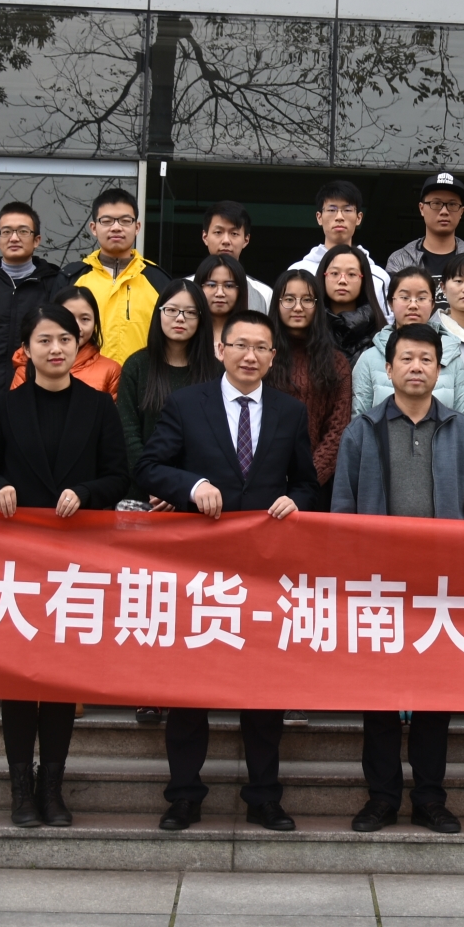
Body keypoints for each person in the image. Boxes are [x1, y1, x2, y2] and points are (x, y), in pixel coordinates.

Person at [138, 310, 320, 834]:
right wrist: (192, 487)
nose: (250, 356)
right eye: (240, 345)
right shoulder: (186, 403)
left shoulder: (289, 411)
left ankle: (264, 796)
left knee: (263, 691)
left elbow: (308, 483)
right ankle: (183, 795)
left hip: (265, 572)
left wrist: (295, 499)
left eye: (261, 347)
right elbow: (149, 467)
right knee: (189, 691)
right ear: (220, 349)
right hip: (200, 572)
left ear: (273, 357)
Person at [0, 304, 132, 828]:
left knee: (60, 679)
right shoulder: (5, 406)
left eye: (64, 338)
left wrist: (86, 492)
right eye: (44, 340)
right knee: (18, 680)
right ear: (26, 349)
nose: (56, 348)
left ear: (78, 344)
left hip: (74, 565)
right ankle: (20, 789)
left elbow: (119, 476)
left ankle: (52, 789)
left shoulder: (98, 406)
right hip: (16, 564)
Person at [331, 323, 464, 835]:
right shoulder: (363, 430)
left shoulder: (459, 430)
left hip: (441, 588)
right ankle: (381, 799)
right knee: (378, 699)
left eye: (426, 359)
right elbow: (343, 511)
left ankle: (429, 799)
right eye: (407, 358)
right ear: (389, 367)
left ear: (440, 369)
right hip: (379, 586)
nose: (416, 367)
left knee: (434, 700)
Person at [116, 279, 217, 489]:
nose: (180, 318)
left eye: (190, 312)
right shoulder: (137, 365)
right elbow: (128, 433)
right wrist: (156, 482)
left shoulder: (216, 371)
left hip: (199, 491)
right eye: (171, 310)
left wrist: (186, 487)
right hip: (143, 489)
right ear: (159, 313)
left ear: (201, 319)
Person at [266, 269, 355, 504]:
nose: (298, 307)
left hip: (315, 488)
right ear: (277, 304)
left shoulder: (336, 363)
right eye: (289, 299)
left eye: (307, 300)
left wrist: (305, 484)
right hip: (260, 483)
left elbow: (337, 432)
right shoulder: (261, 357)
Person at [0, 201, 63, 402]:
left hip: (40, 393)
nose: (14, 238)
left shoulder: (55, 283)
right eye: (6, 232)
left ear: (37, 240)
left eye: (23, 231)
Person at [66, 188, 172, 366]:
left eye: (125, 221)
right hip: (81, 378)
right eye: (107, 221)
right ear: (94, 228)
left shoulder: (158, 280)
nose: (116, 228)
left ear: (137, 227)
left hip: (142, 380)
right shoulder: (71, 278)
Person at [352, 265, 464, 418]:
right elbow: (359, 420)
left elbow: (461, 421)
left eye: (421, 298)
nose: (413, 305)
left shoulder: (452, 357)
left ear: (433, 304)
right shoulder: (369, 359)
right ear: (391, 303)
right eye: (405, 297)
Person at [386, 171, 464, 317]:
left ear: (461, 211)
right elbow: (392, 313)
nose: (444, 211)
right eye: (436, 203)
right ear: (421, 208)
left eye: (452, 204)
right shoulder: (400, 261)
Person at [290, 180, 390, 311]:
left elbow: (385, 321)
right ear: (319, 217)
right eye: (332, 210)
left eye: (347, 210)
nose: (339, 217)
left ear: (359, 218)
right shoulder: (298, 271)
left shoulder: (378, 276)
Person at [9, 285, 122, 396]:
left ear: (95, 323)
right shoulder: (27, 367)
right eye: (68, 318)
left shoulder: (110, 370)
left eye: (85, 319)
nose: (77, 327)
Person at [201, 200, 273, 313]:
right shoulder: (185, 288)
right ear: (205, 237)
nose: (226, 241)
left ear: (246, 240)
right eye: (218, 232)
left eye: (234, 234)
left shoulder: (265, 294)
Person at [320, 244, 387, 361]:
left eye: (351, 274)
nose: (342, 281)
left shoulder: (381, 336)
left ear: (363, 279)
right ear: (323, 276)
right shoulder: (308, 329)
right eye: (334, 273)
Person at [192, 252, 251, 355]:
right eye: (211, 285)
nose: (220, 293)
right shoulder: (186, 330)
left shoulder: (252, 333)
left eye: (229, 286)